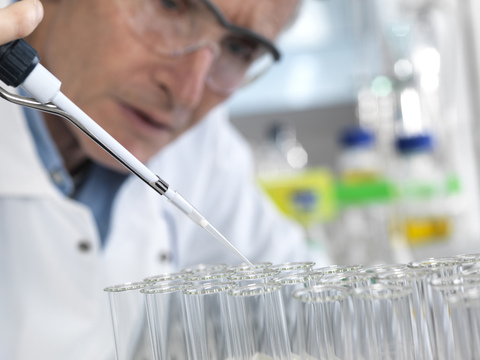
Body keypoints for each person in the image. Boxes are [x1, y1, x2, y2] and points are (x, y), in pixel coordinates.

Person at [0, 0, 330, 358]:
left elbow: (317, 302)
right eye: (171, 6)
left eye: (239, 48)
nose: (186, 92)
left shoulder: (203, 148)